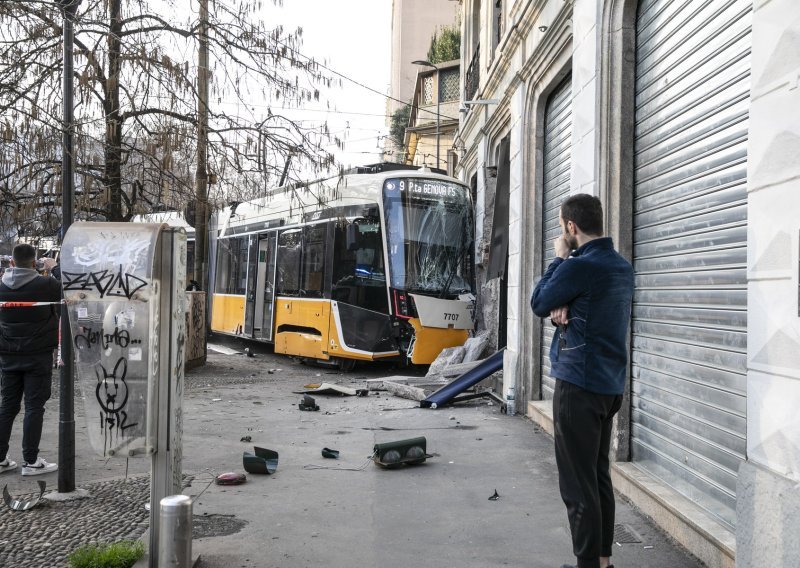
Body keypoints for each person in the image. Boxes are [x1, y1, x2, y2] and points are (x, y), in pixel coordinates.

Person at [531, 194, 634, 568]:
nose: (563, 234)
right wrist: (570, 304)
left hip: (579, 386)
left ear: (571, 227)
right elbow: (593, 307)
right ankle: (603, 563)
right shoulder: (621, 267)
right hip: (609, 387)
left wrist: (560, 259)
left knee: (577, 487)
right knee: (597, 478)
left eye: (562, 228)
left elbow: (539, 301)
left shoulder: (578, 266)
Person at [0, 244, 60, 476]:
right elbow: (72, 290)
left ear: (12, 263)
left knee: (7, 406)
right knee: (34, 407)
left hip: (8, 354)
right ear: (34, 263)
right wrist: (54, 268)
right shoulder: (45, 285)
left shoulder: (1, 286)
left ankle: (1, 459)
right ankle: (31, 461)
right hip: (38, 354)